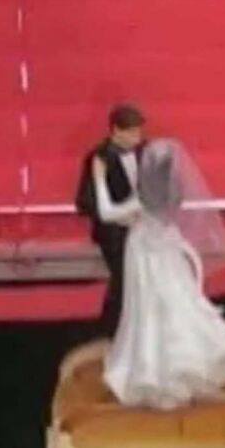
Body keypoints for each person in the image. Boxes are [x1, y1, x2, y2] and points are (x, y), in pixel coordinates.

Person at [91, 137, 225, 409]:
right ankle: (186, 362)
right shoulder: (173, 193)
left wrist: (99, 179)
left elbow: (107, 213)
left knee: (149, 311)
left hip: (145, 255)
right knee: (176, 305)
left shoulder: (142, 201)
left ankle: (157, 371)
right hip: (169, 252)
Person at [75, 103, 146, 335]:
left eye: (138, 131)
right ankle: (113, 331)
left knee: (141, 280)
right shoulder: (99, 157)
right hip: (114, 233)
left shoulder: (143, 150)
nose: (137, 137)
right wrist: (121, 216)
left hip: (142, 227)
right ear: (116, 130)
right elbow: (86, 202)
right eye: (132, 132)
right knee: (123, 280)